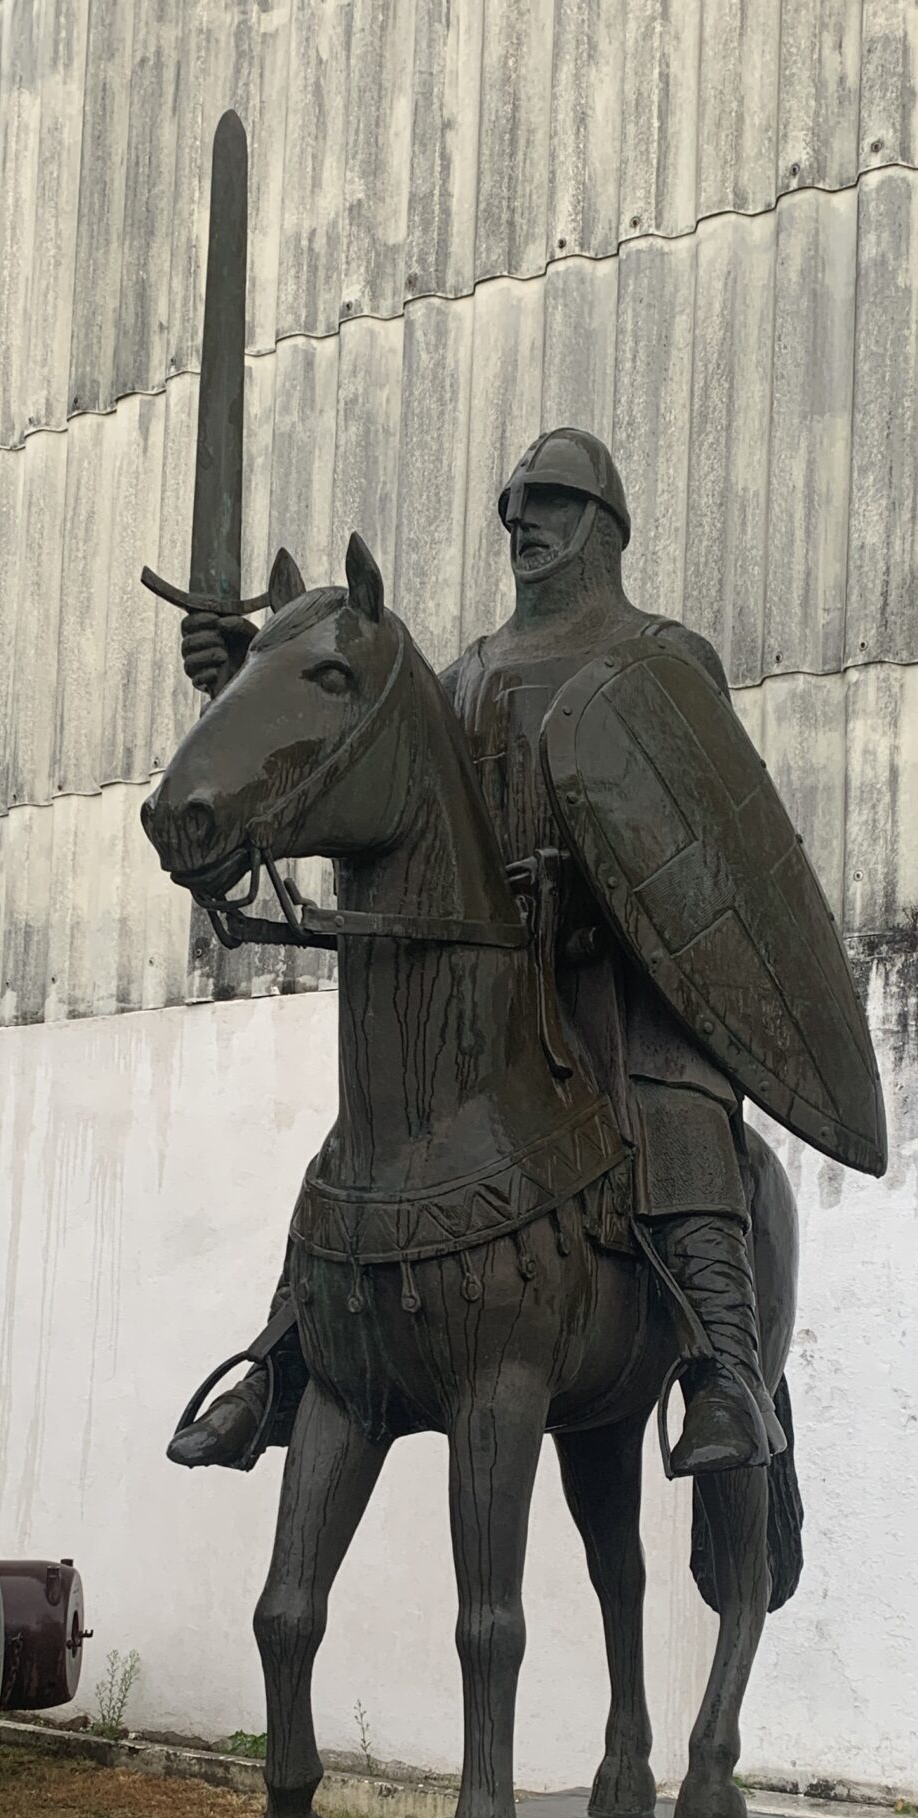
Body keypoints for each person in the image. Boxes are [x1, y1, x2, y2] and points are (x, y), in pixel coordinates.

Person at [170, 427, 779, 1478]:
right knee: (355, 1151)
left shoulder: (667, 660)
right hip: (498, 996)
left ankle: (726, 1374)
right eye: (512, 505)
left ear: (604, 526)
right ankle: (283, 1363)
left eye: (548, 503)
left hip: (624, 984)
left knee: (680, 1118)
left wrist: (595, 893)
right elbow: (361, 755)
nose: (521, 523)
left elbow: (701, 840)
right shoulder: (460, 679)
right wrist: (237, 682)